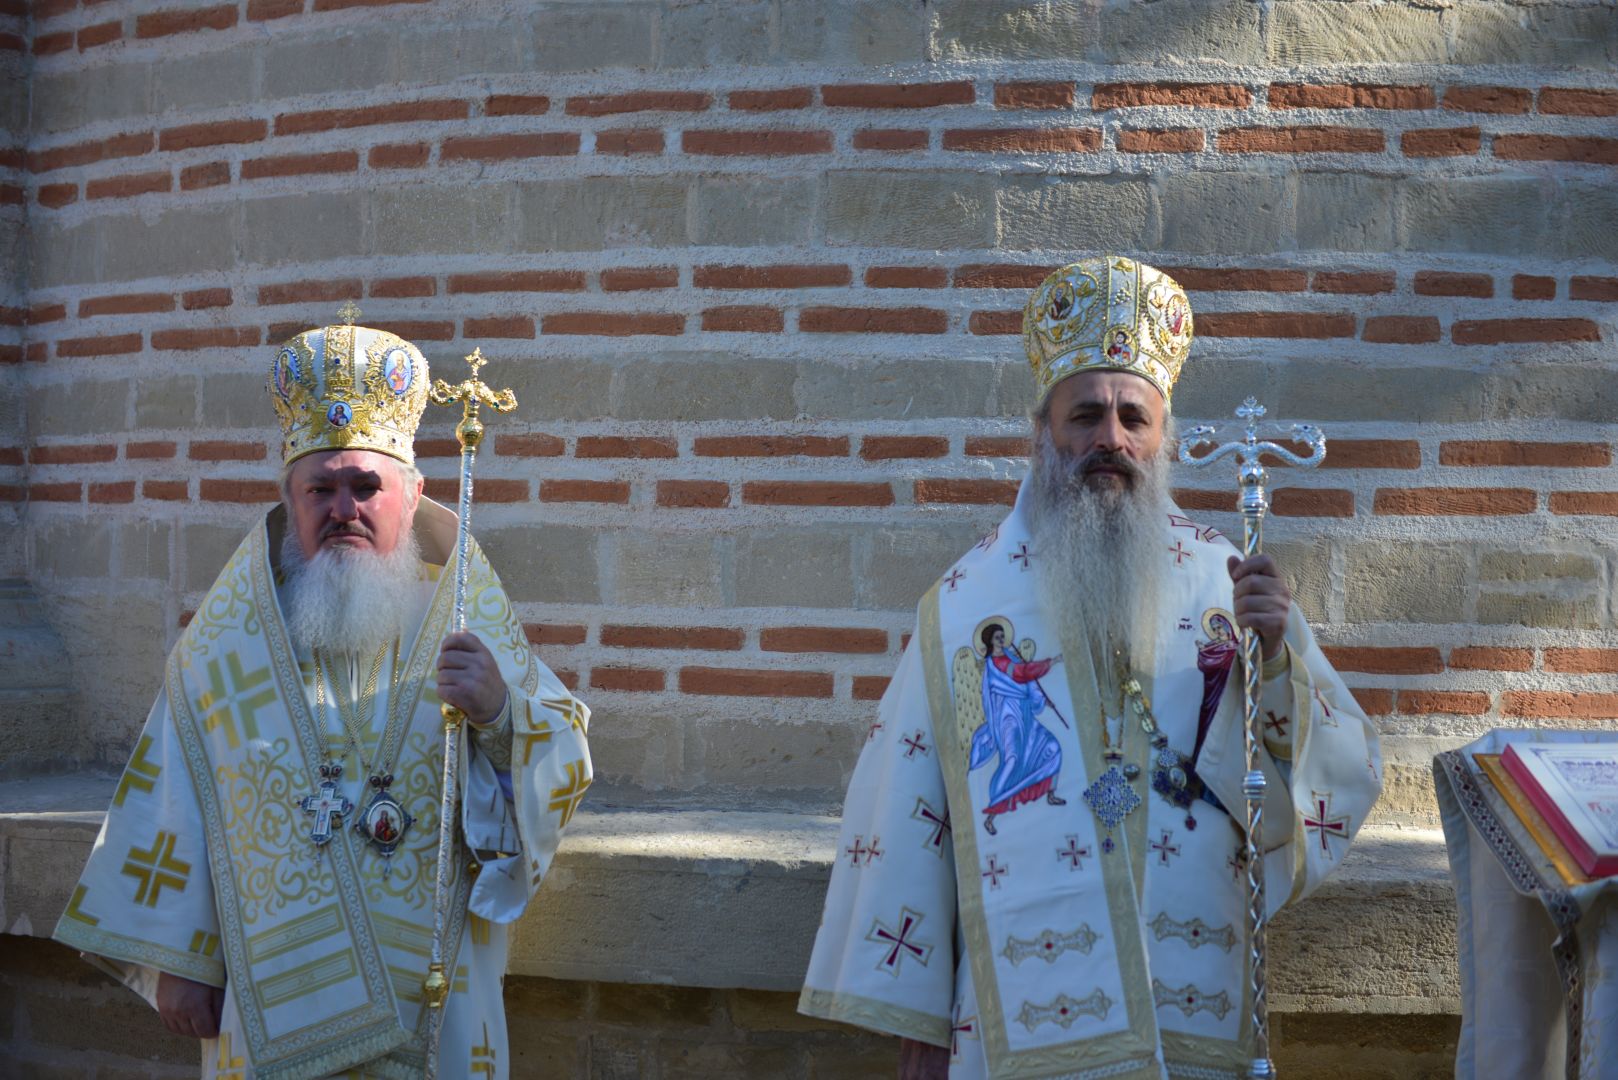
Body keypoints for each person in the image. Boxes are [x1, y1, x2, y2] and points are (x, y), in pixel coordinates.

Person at [798, 256, 1382, 1079]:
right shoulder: (964, 609)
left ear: (1163, 438)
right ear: (1041, 434)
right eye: (1086, 415)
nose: (1111, 439)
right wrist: (920, 1021)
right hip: (1015, 1009)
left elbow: (1330, 772)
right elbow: (909, 810)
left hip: (1191, 990)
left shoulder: (1230, 585)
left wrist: (1278, 656)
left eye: (1133, 417)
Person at [54, 317, 592, 1079]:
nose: (345, 509)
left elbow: (563, 762)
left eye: (366, 486)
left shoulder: (466, 614)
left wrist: (501, 715)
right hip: (271, 984)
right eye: (322, 488)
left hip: (430, 981)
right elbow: (178, 791)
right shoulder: (227, 640)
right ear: (289, 499)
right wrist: (182, 957)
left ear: (412, 494)